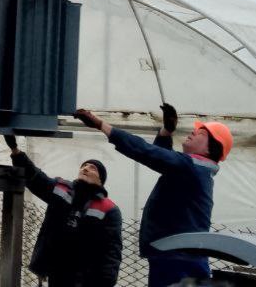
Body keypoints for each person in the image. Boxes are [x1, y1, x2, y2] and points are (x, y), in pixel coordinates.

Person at [75, 104, 233, 287]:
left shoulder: (191, 166)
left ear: (208, 150)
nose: (192, 132)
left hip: (176, 258)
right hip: (178, 256)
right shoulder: (195, 169)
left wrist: (101, 124)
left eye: (201, 134)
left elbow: (147, 152)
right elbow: (163, 159)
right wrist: (166, 131)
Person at [5, 135, 122, 287]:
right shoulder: (62, 189)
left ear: (101, 180)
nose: (85, 168)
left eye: (92, 168)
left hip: (86, 277)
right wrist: (15, 151)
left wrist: (106, 282)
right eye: (83, 166)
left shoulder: (108, 209)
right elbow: (36, 178)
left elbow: (112, 249)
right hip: (57, 271)